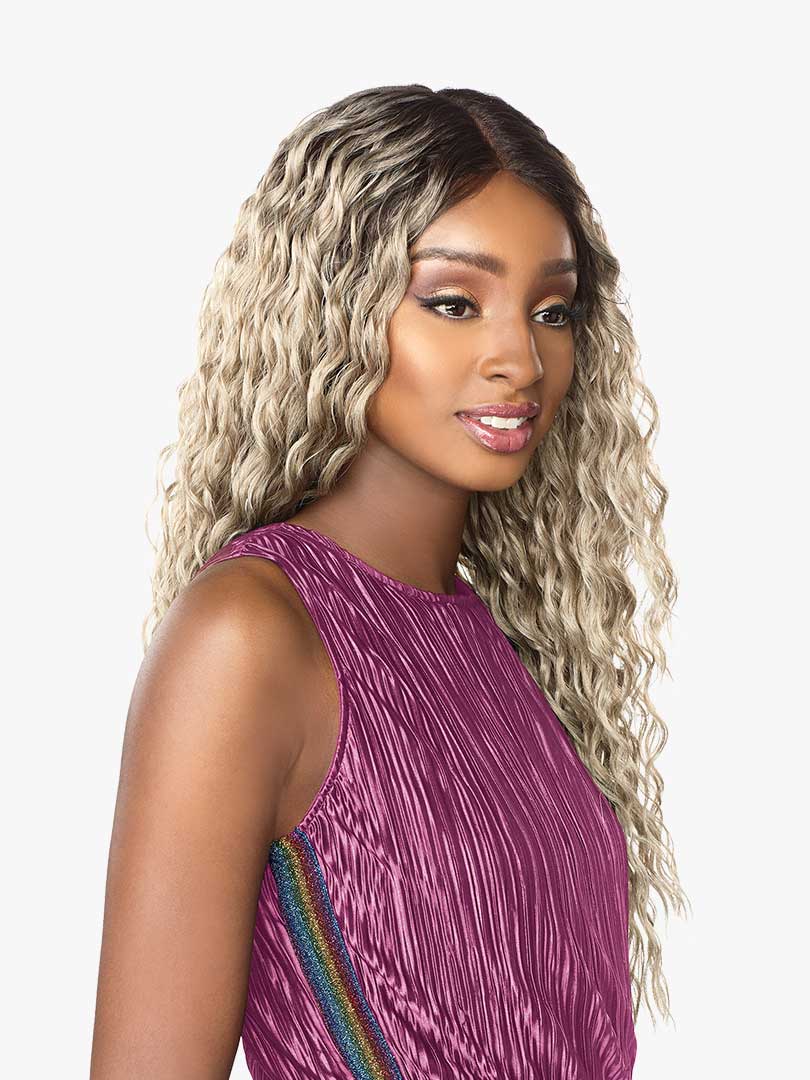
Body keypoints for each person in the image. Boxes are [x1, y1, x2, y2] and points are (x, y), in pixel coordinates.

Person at [90, 84, 688, 1079]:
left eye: (552, 309)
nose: (520, 357)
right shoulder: (250, 636)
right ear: (333, 308)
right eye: (454, 303)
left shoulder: (504, 647)